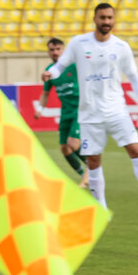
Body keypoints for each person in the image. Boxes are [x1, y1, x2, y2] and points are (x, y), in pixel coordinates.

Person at [43, 3, 138, 217]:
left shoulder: (121, 47)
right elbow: (60, 66)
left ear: (114, 19)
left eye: (110, 18)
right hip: (89, 113)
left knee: (135, 150)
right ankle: (100, 208)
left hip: (116, 110)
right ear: (95, 19)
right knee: (93, 160)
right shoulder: (79, 43)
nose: (106, 22)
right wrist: (50, 74)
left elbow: (133, 76)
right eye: (102, 18)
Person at [38, 36, 89, 187]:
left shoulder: (73, 66)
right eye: (52, 49)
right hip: (65, 112)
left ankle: (92, 170)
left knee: (73, 143)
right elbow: (45, 93)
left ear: (63, 50)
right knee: (65, 149)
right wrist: (40, 109)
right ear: (48, 52)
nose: (55, 52)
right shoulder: (49, 71)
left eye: (58, 49)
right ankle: (84, 175)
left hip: (79, 109)